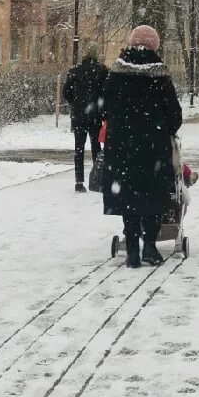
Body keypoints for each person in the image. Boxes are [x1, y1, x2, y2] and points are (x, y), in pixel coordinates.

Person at [100, 25, 183, 268]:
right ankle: (150, 246)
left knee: (129, 196)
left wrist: (120, 125)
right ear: (154, 46)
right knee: (152, 196)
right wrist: (161, 128)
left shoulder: (116, 73)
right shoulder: (159, 74)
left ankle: (133, 249)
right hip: (152, 147)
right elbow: (174, 115)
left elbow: (104, 106)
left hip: (122, 147)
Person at [62, 48, 108, 193]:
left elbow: (66, 92)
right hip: (94, 115)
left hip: (78, 115)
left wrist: (75, 103)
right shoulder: (101, 71)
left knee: (79, 148)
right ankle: (97, 180)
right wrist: (102, 111)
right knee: (96, 147)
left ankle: (79, 182)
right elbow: (105, 93)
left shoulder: (75, 70)